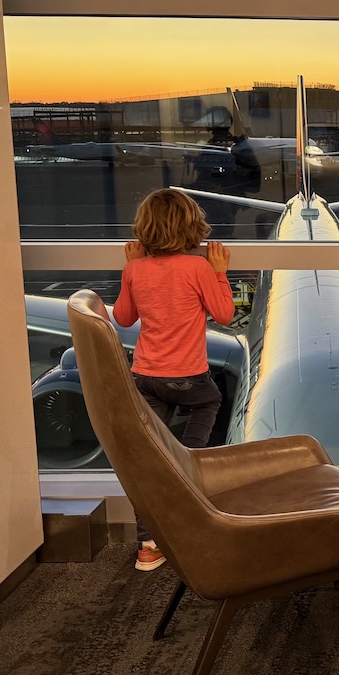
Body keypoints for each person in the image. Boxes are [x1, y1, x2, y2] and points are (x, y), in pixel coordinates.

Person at [112, 189, 236, 571]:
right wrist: (218, 272)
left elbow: (123, 318)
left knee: (145, 458)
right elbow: (225, 314)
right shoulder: (196, 268)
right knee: (209, 402)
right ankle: (187, 462)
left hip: (145, 375)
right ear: (192, 228)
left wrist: (129, 272)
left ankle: (148, 544)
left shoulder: (136, 269)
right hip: (186, 375)